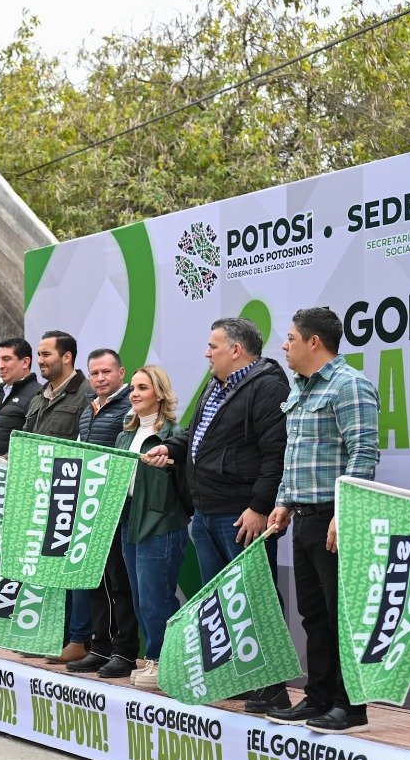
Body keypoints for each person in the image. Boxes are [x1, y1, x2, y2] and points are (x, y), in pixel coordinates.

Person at [143, 316, 290, 713]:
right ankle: (237, 678)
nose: (207, 353)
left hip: (241, 514)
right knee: (223, 602)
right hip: (207, 511)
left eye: (213, 346)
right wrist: (171, 449)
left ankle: (272, 686)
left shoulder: (267, 386)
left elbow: (276, 453)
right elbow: (195, 436)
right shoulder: (215, 385)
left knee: (254, 598)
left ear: (236, 350)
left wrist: (259, 507)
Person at [266, 307, 381, 734]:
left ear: (314, 342)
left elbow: (364, 454)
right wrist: (284, 502)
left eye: (291, 338)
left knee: (340, 616)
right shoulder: (300, 388)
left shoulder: (349, 385)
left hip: (335, 518)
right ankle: (318, 697)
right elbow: (294, 455)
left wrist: (344, 511)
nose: (285, 346)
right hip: (303, 518)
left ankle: (351, 707)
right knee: (313, 615)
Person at [62, 348, 139, 680]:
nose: (100, 378)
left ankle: (124, 652)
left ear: (121, 373)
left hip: (118, 511)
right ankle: (100, 648)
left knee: (120, 583)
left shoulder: (130, 408)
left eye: (107, 372)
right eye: (94, 373)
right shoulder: (88, 409)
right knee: (96, 582)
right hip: (90, 510)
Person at [114, 366, 191, 690]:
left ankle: (166, 661)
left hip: (161, 524)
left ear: (159, 393)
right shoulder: (125, 434)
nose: (134, 393)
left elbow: (185, 486)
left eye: (142, 388)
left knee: (156, 596)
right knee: (139, 595)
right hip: (129, 520)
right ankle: (154, 659)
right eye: (133, 388)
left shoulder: (175, 434)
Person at [23, 331, 97, 664]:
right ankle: (52, 636)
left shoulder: (86, 393)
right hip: (42, 499)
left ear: (67, 357)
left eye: (46, 354)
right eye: (39, 354)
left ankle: (78, 639)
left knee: (71, 573)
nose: (40, 361)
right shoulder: (39, 397)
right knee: (48, 573)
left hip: (73, 498)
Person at [0, 337, 44, 455]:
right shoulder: (3, 392)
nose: (0, 365)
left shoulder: (38, 394)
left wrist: (6, 459)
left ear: (25, 362)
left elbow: (34, 443)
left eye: (6, 359)